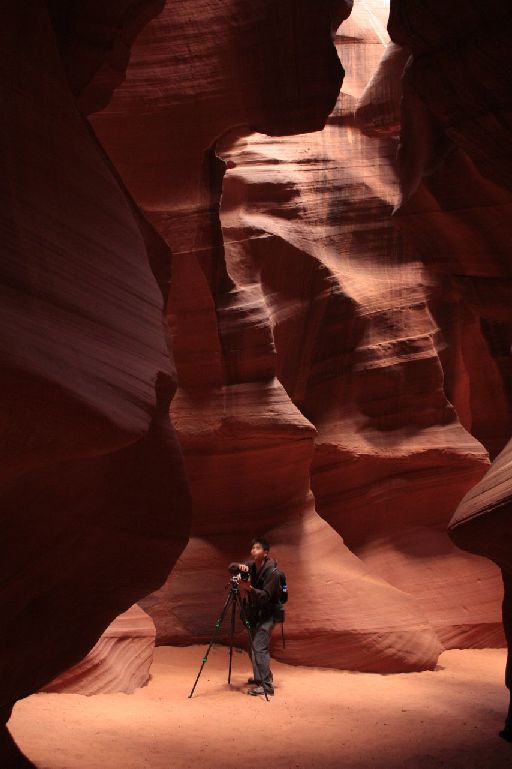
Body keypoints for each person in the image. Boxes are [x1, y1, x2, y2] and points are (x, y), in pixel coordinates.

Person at [229, 537, 280, 696]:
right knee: (253, 648)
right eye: (252, 548)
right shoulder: (251, 566)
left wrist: (249, 589)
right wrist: (239, 567)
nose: (253, 551)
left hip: (268, 615)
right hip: (254, 613)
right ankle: (261, 677)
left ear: (265, 553)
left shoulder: (273, 572)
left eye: (257, 548)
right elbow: (231, 567)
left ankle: (267, 687)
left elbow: (265, 596)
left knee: (259, 647)